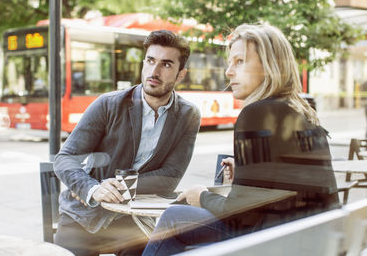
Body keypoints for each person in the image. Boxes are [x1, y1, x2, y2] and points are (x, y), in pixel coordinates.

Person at [142, 24, 339, 256]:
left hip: (277, 243)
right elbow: (294, 185)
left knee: (174, 217)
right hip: (312, 240)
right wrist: (248, 171)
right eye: (230, 62)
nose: (228, 72)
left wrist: (201, 196)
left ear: (269, 67)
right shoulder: (301, 112)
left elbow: (243, 215)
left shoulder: (256, 113)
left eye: (240, 62)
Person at [54, 30, 201, 256]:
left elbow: (171, 176)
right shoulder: (108, 104)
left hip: (132, 221)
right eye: (150, 61)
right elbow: (65, 159)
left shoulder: (188, 115)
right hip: (84, 216)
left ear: (181, 74)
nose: (155, 71)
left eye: (166, 65)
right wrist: (93, 188)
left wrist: (120, 187)